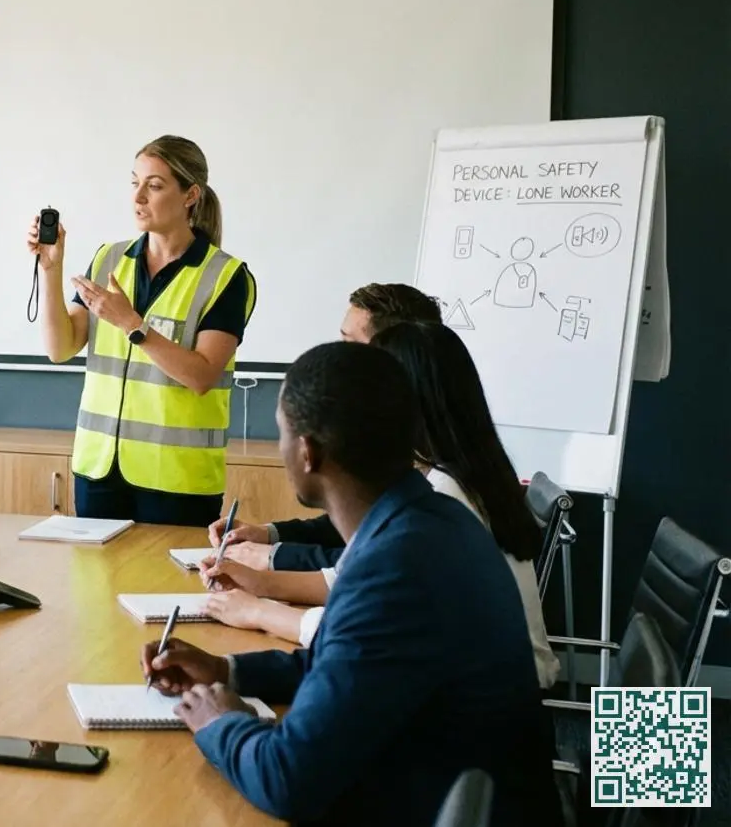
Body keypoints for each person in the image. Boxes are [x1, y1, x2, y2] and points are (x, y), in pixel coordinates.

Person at [140, 341, 559, 825]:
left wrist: (220, 723)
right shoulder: (430, 518)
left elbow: (289, 780)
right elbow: (336, 663)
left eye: (280, 434)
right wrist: (225, 670)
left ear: (307, 452)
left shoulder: (395, 566)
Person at [202, 323, 560, 689]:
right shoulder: (453, 476)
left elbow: (363, 633)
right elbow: (357, 600)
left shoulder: (441, 500)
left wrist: (260, 610)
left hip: (493, 695)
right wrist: (261, 586)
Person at [30, 135, 257, 527]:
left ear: (191, 195)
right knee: (93, 589)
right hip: (99, 470)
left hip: (177, 481)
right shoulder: (109, 258)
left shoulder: (226, 277)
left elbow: (202, 375)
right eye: (134, 182)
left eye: (154, 186)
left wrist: (132, 325)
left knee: (168, 588)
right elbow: (59, 347)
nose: (138, 197)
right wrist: (50, 270)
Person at [203, 282, 443, 572]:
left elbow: (376, 560)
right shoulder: (390, 420)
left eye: (349, 342)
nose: (337, 355)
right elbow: (363, 521)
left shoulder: (431, 465)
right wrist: (269, 534)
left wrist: (271, 561)